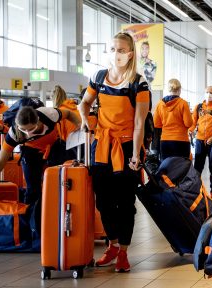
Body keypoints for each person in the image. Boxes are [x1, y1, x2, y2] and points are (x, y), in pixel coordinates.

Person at [79, 32, 150, 273]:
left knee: (125, 202)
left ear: (130, 54)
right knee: (103, 200)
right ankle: (112, 244)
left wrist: (136, 156)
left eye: (120, 50)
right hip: (102, 146)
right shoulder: (99, 77)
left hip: (128, 146)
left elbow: (140, 122)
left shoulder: (138, 83)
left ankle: (123, 252)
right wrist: (86, 120)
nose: (116, 54)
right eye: (112, 49)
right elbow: (84, 103)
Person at [0, 106, 81, 204]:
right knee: (32, 189)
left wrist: (80, 125)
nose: (28, 133)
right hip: (31, 151)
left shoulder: (49, 114)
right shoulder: (14, 134)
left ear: (38, 121)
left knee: (60, 180)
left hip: (53, 146)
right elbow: (0, 162)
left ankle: (59, 206)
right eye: (23, 129)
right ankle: (32, 219)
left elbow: (69, 113)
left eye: (31, 129)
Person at [153, 78, 192, 159]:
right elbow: (188, 123)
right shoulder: (183, 103)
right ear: (180, 89)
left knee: (166, 168)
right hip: (181, 141)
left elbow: (156, 124)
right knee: (181, 167)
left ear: (168, 89)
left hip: (165, 141)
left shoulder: (160, 104)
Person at [189, 86, 212, 199]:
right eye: (207, 92)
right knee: (197, 168)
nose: (208, 94)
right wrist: (190, 130)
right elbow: (193, 122)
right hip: (200, 140)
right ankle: (196, 190)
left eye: (211, 92)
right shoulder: (198, 107)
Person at [52, 85, 79, 159]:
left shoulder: (60, 113)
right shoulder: (75, 108)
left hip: (72, 147)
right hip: (83, 145)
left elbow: (61, 137)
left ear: (53, 99)